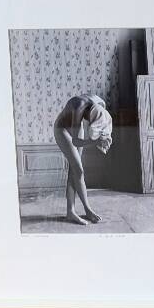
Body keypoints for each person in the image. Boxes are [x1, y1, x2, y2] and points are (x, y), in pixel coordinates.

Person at [53, 94, 113, 226]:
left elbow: (103, 119)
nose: (88, 122)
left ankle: (71, 212)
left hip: (75, 127)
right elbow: (75, 142)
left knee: (74, 170)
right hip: (62, 128)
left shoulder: (98, 103)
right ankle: (87, 208)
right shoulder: (78, 107)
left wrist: (102, 136)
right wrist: (95, 141)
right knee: (78, 170)